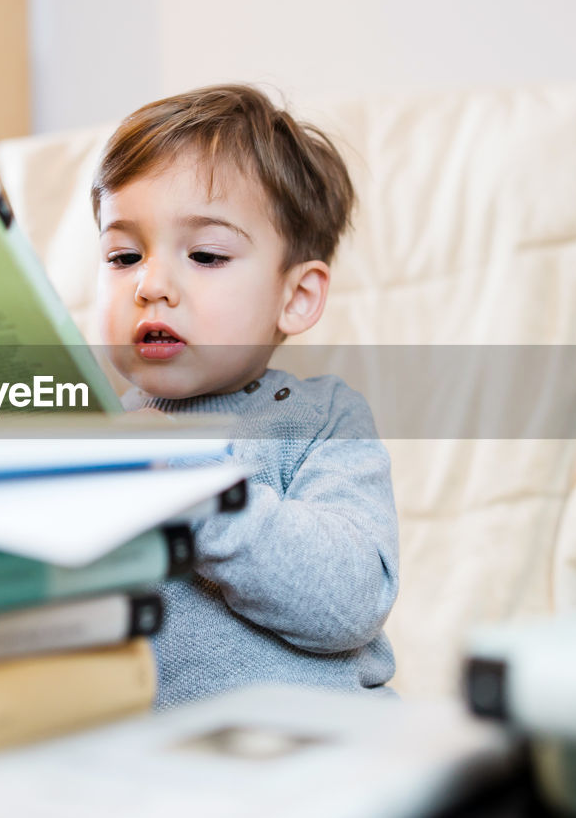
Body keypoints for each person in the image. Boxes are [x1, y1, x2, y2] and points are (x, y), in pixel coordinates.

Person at [92, 83, 399, 708]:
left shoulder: (322, 419)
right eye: (123, 256)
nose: (151, 285)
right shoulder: (98, 432)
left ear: (296, 297)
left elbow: (352, 598)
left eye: (205, 253)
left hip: (319, 749)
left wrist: (190, 484)